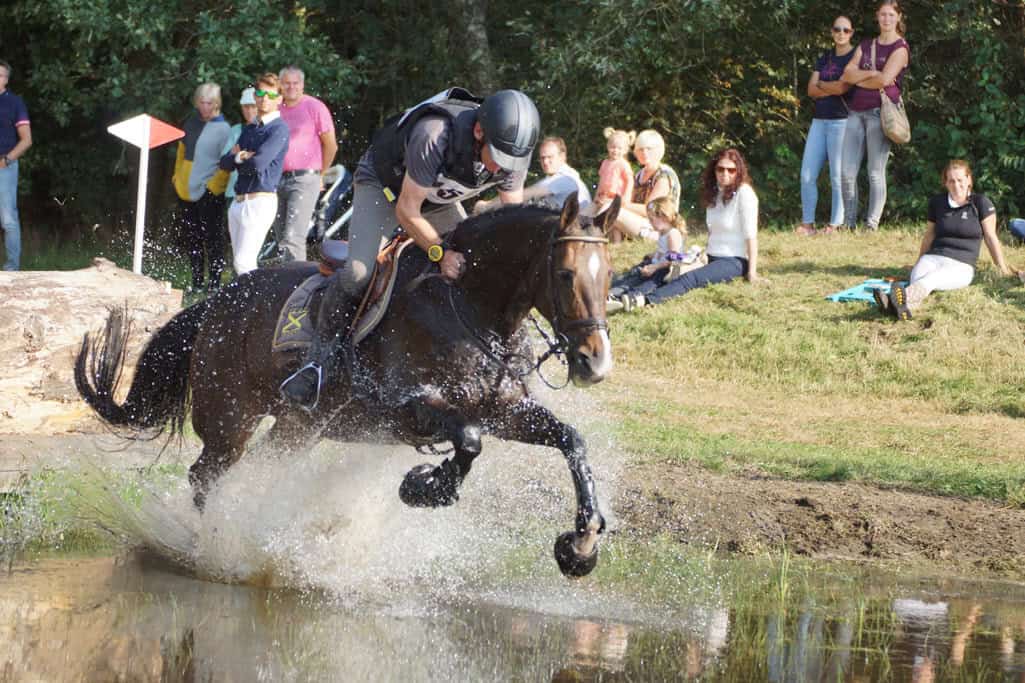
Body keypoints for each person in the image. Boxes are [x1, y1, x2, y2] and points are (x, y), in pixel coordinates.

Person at [280, 87, 540, 409]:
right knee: (359, 273)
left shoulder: (513, 152)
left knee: (476, 267)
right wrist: (440, 253)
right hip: (385, 188)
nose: (502, 170)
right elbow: (407, 211)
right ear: (478, 132)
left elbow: (509, 218)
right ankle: (316, 364)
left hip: (434, 200)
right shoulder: (435, 134)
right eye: (498, 158)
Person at [875, 160, 1020, 321]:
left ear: (969, 180)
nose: (956, 185)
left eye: (960, 180)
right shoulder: (937, 203)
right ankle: (902, 307)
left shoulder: (981, 203)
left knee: (932, 279)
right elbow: (929, 235)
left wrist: (1003, 268)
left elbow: (991, 237)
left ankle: (894, 302)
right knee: (918, 277)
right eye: (951, 180)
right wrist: (918, 261)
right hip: (932, 257)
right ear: (945, 183)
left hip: (962, 265)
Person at [624, 148, 760, 310]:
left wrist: (752, 272)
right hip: (710, 255)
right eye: (720, 169)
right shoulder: (715, 193)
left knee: (690, 278)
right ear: (714, 170)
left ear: (738, 171)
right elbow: (713, 232)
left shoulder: (745, 194)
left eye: (731, 170)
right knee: (670, 268)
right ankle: (626, 292)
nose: (725, 174)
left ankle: (646, 301)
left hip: (734, 260)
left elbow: (751, 236)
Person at [839, 0, 910, 231]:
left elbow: (884, 80)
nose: (886, 19)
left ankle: (871, 224)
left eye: (891, 15)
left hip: (879, 114)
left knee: (875, 172)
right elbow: (846, 74)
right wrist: (870, 73)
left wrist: (862, 77)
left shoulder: (900, 48)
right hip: (855, 113)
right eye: (882, 14)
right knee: (847, 172)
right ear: (877, 17)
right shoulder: (866, 44)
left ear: (898, 17)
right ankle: (849, 224)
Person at [219, 73, 290, 276]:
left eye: (269, 94)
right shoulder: (250, 128)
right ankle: (244, 306)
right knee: (239, 264)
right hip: (239, 201)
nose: (263, 98)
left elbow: (258, 164)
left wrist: (237, 158)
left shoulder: (279, 129)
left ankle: (255, 306)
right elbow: (224, 163)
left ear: (279, 99)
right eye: (259, 93)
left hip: (260, 201)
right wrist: (242, 157)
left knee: (244, 263)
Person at [795, 16, 855, 236]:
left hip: (842, 121)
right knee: (807, 174)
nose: (841, 33)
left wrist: (822, 84)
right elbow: (811, 91)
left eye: (845, 30)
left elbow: (843, 88)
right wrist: (829, 86)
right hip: (819, 121)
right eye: (837, 29)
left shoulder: (854, 57)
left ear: (852, 33)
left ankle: (835, 224)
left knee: (837, 176)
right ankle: (808, 223)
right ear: (832, 32)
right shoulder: (824, 58)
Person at [271, 65, 338, 262]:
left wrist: (320, 174)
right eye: (286, 83)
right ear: (280, 86)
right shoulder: (275, 108)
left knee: (294, 237)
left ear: (302, 85)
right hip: (276, 179)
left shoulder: (315, 107)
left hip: (304, 177)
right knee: (280, 237)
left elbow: (331, 145)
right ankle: (284, 283)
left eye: (295, 83)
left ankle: (297, 286)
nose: (291, 87)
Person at [172, 82, 232, 292]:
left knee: (213, 240)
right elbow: (181, 153)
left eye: (210, 103)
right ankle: (197, 282)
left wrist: (213, 188)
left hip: (210, 193)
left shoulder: (224, 129)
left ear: (217, 103)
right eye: (202, 102)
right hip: (186, 191)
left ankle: (214, 284)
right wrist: (176, 178)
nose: (205, 107)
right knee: (193, 239)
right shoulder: (190, 124)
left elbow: (227, 162)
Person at [606, 196, 686, 311]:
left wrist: (655, 267)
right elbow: (663, 251)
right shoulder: (663, 232)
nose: (650, 223)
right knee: (634, 274)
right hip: (656, 264)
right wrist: (653, 255)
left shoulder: (673, 234)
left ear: (664, 217)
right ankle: (614, 287)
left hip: (665, 270)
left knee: (648, 283)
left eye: (652, 219)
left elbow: (674, 258)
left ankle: (629, 297)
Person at [474, 136, 589, 212]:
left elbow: (522, 196)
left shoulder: (563, 179)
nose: (545, 162)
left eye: (550, 157)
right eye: (542, 158)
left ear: (562, 156)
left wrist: (487, 206)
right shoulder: (571, 177)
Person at [610, 129, 680, 243]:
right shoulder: (639, 175)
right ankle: (616, 244)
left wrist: (622, 205)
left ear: (659, 151)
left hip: (660, 229)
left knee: (614, 211)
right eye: (640, 149)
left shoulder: (664, 175)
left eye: (649, 149)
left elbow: (651, 209)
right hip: (641, 223)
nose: (644, 153)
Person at [0, 59, 32, 271]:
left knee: (8, 219)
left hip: (4, 165)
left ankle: (12, 270)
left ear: (6, 79)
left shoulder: (15, 103)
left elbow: (27, 139)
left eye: (0, 75)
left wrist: (6, 160)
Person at [221, 87, 259, 204]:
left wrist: (238, 155)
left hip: (257, 193)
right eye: (246, 107)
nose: (249, 111)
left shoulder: (268, 130)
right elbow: (224, 161)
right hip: (233, 192)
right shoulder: (235, 131)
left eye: (253, 106)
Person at [595, 127, 635, 210]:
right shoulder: (605, 163)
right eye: (613, 147)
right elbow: (601, 180)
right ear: (608, 146)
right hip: (603, 197)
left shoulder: (623, 164)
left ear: (625, 150)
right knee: (589, 215)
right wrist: (596, 195)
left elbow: (630, 181)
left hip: (616, 198)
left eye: (619, 148)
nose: (615, 150)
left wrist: (626, 197)